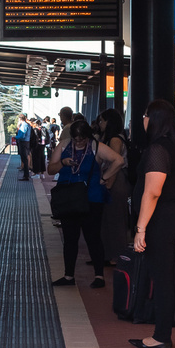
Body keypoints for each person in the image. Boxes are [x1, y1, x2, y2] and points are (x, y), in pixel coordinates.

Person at [130, 99, 175, 348]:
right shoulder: (172, 147)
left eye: (145, 114)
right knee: (163, 276)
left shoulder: (158, 150)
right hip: (169, 217)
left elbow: (152, 192)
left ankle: (162, 336)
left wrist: (140, 228)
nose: (142, 119)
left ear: (154, 119)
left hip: (160, 220)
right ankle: (161, 333)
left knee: (162, 278)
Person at [48, 119, 124, 288]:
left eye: (82, 139)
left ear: (88, 137)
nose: (79, 142)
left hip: (92, 198)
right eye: (76, 139)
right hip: (69, 198)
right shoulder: (64, 145)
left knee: (93, 237)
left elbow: (119, 160)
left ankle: (99, 276)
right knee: (70, 238)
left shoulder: (96, 147)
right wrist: (62, 163)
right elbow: (50, 169)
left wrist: (104, 178)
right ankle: (69, 276)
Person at [97, 108, 131, 262]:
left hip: (115, 181)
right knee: (110, 219)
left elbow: (115, 163)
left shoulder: (115, 140)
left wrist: (107, 183)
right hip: (115, 181)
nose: (100, 124)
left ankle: (116, 256)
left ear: (108, 122)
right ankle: (109, 254)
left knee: (115, 219)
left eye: (102, 120)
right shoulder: (114, 138)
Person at [14, 112, 32, 180]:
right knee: (25, 159)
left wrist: (16, 137)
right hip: (27, 142)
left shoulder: (24, 125)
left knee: (24, 159)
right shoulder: (27, 125)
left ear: (20, 119)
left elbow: (22, 135)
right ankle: (26, 175)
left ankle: (26, 175)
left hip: (23, 143)